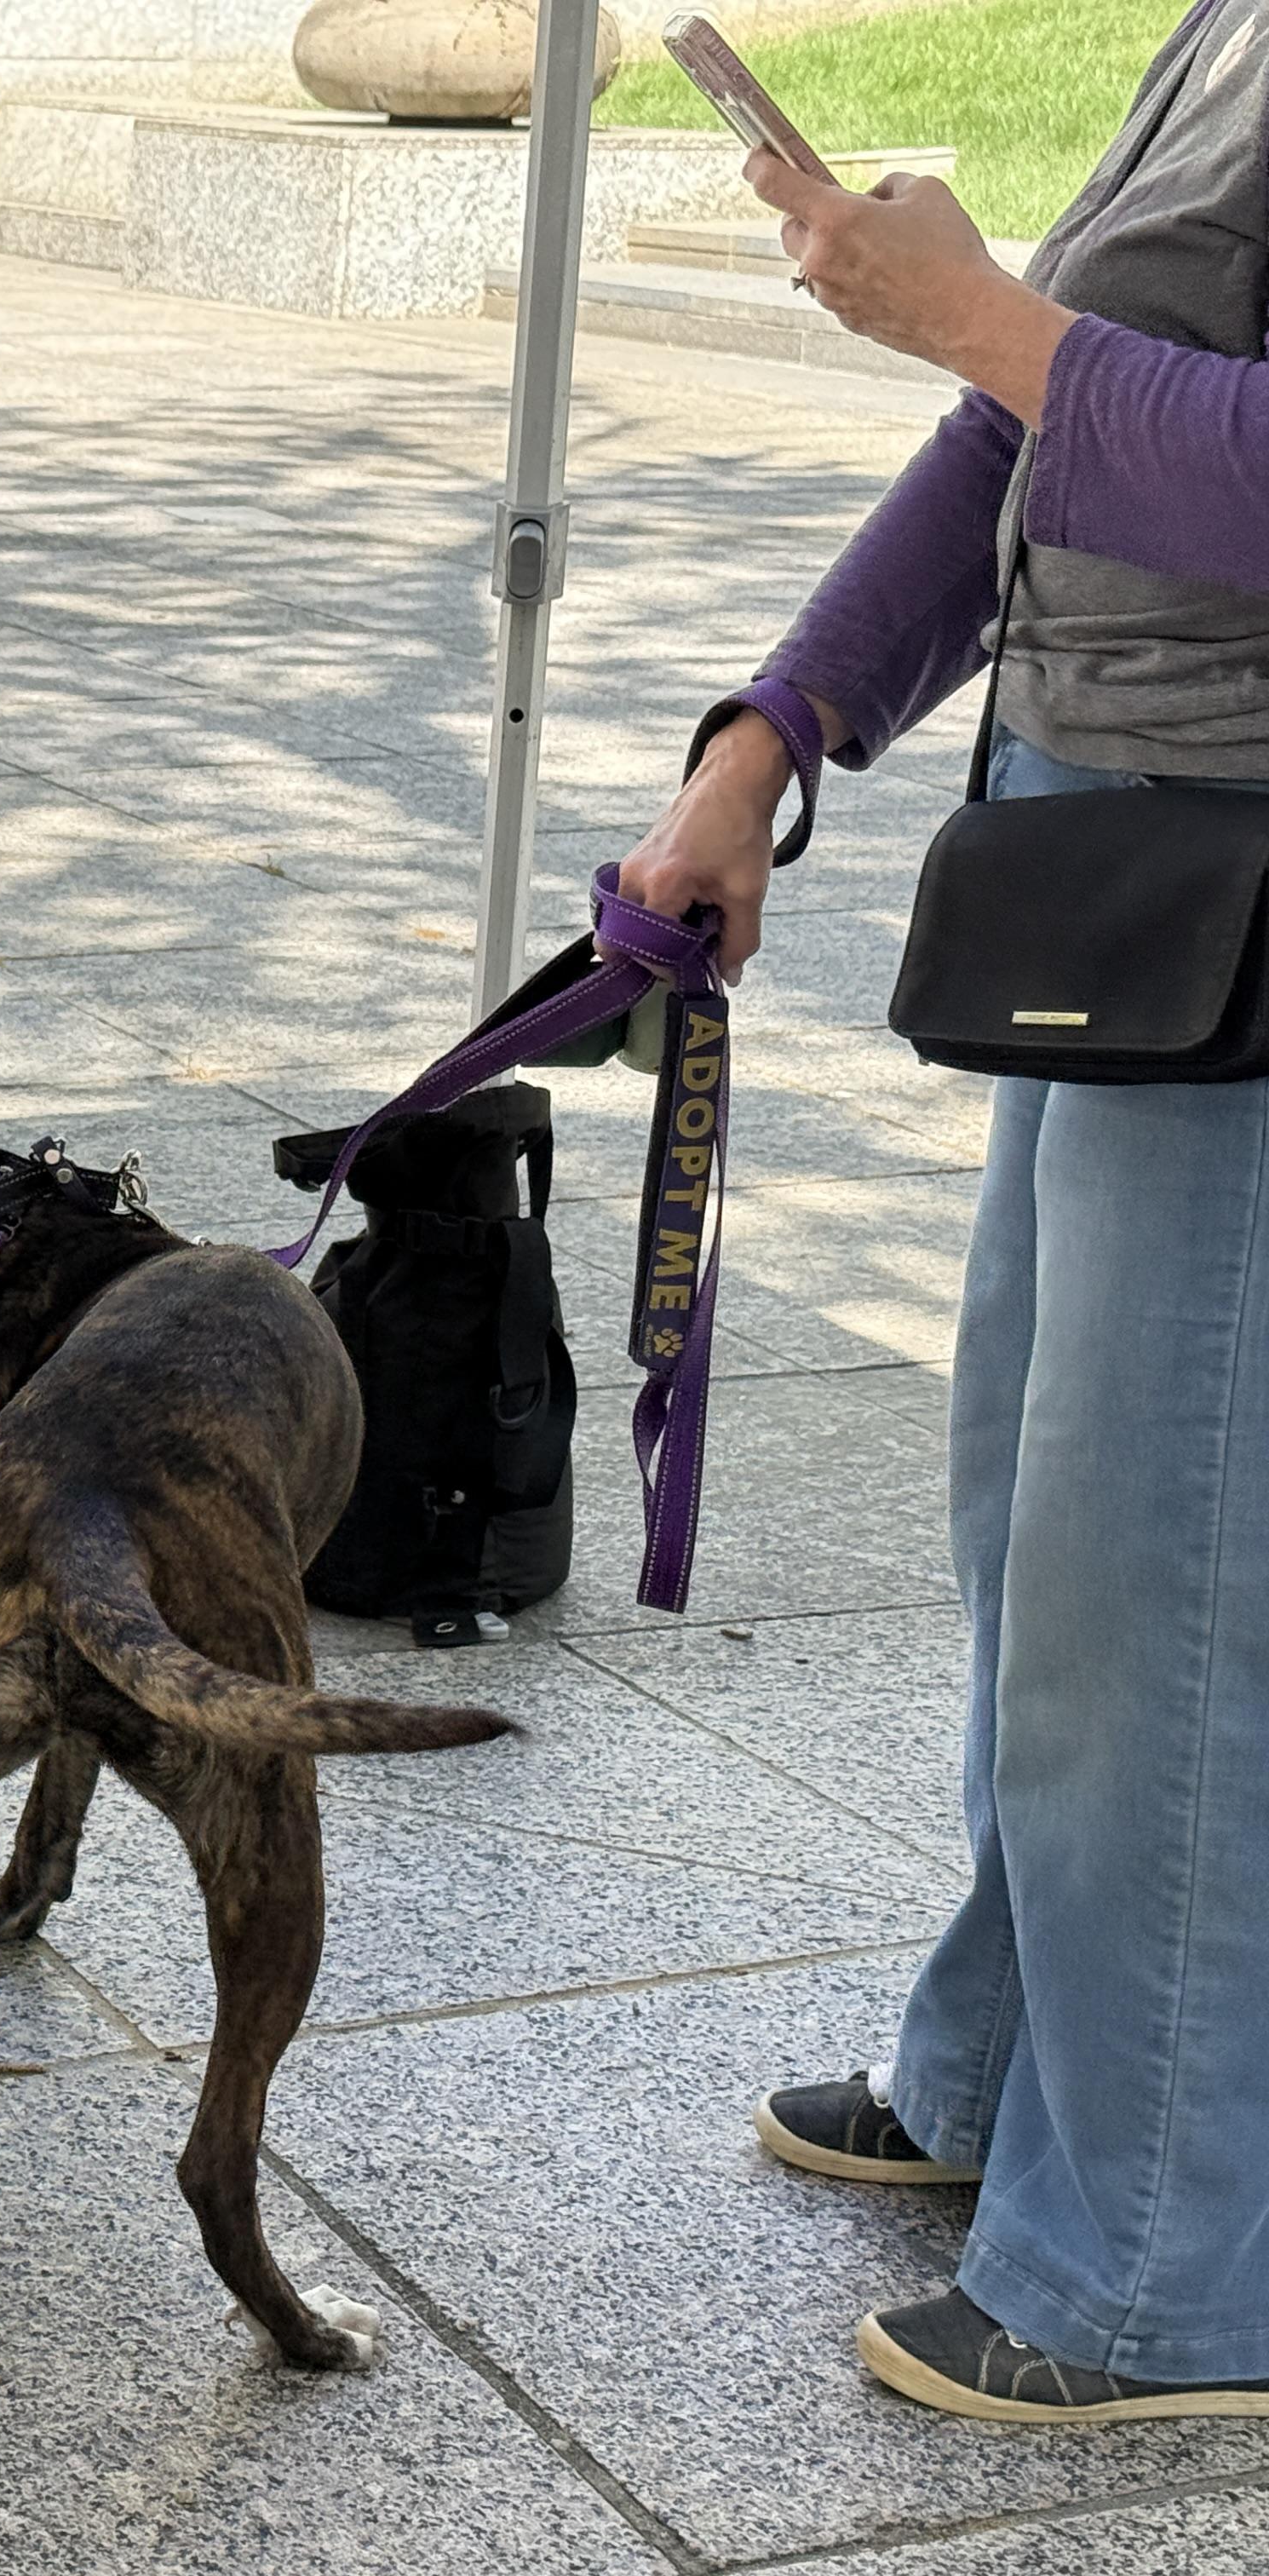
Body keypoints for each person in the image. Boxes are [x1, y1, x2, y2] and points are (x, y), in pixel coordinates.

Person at [618, 10, 1269, 2425]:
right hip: (1125, 855)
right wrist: (770, 732)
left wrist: (978, 313)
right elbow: (1031, 436)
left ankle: (1171, 2274)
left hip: (1238, 890)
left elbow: (1084, 396)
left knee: (1166, 1603)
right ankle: (1013, 2094)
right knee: (1042, 1541)